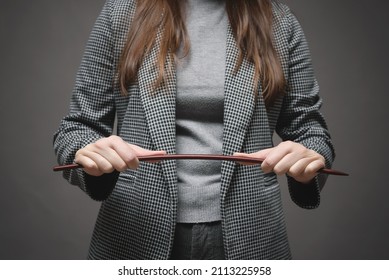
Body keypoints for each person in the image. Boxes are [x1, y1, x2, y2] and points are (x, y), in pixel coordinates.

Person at [53, 0, 335, 260]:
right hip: (134, 230)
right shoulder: (122, 12)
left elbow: (311, 132)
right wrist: (88, 154)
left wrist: (309, 156)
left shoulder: (279, 20)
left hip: (252, 236)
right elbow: (78, 128)